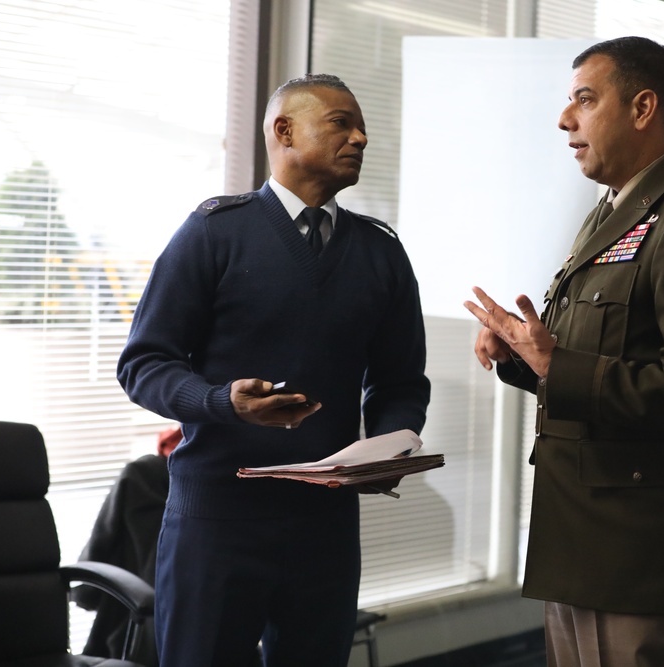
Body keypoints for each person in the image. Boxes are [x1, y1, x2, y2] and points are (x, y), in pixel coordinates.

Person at [465, 37, 664, 666]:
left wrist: (557, 365)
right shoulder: (617, 211)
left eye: (584, 99)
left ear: (642, 108)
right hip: (587, 540)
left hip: (645, 552)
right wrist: (524, 356)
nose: (564, 119)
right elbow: (596, 357)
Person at [117, 73, 431, 667]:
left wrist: (393, 444)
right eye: (342, 123)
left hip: (325, 527)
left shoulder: (381, 252)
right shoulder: (213, 233)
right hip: (217, 519)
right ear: (284, 132)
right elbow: (143, 364)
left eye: (362, 127)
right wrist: (220, 401)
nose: (361, 138)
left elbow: (400, 382)